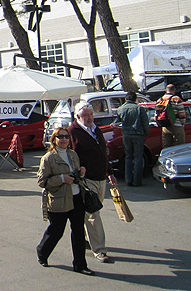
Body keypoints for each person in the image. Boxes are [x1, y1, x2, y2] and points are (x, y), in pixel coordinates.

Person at [36, 127, 93, 275]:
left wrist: (81, 172)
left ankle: (80, 265)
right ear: (54, 139)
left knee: (79, 232)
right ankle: (42, 252)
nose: (64, 139)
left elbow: (77, 176)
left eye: (66, 137)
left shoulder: (73, 154)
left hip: (76, 198)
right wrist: (62, 178)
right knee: (56, 231)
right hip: (59, 201)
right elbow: (42, 181)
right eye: (60, 137)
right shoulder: (48, 158)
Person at [69, 101, 116, 264]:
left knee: (90, 211)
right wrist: (78, 172)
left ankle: (85, 238)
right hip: (86, 179)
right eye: (85, 115)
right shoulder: (72, 132)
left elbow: (102, 153)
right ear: (78, 117)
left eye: (90, 115)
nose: (89, 118)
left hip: (100, 176)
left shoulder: (96, 130)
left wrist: (109, 172)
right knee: (93, 213)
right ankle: (100, 249)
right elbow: (71, 156)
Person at [115, 91, 149, 187]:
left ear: (126, 99)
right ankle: (137, 181)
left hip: (126, 134)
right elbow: (145, 123)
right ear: (135, 99)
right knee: (138, 157)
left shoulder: (120, 109)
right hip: (138, 134)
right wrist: (146, 132)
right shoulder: (139, 109)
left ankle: (128, 179)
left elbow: (117, 122)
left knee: (128, 157)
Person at [160, 84, 186, 149]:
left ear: (166, 91)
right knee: (180, 146)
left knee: (166, 146)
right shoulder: (176, 99)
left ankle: (165, 158)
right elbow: (182, 113)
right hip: (176, 125)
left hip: (165, 126)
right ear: (174, 90)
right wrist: (182, 123)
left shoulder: (160, 99)